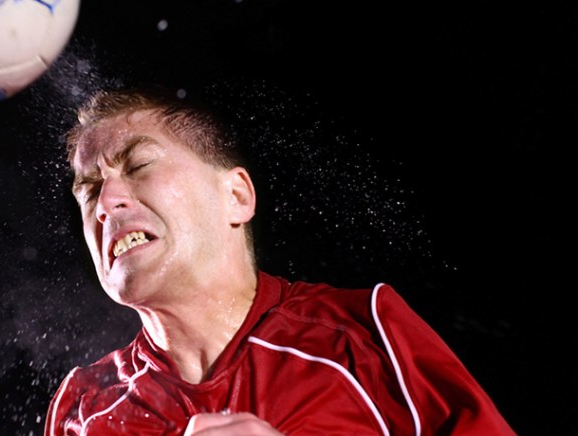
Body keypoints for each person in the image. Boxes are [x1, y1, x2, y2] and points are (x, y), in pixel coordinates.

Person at [44, 85, 514, 435]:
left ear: (236, 196)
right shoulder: (82, 409)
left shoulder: (362, 336)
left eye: (139, 165)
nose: (105, 204)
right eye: (89, 190)